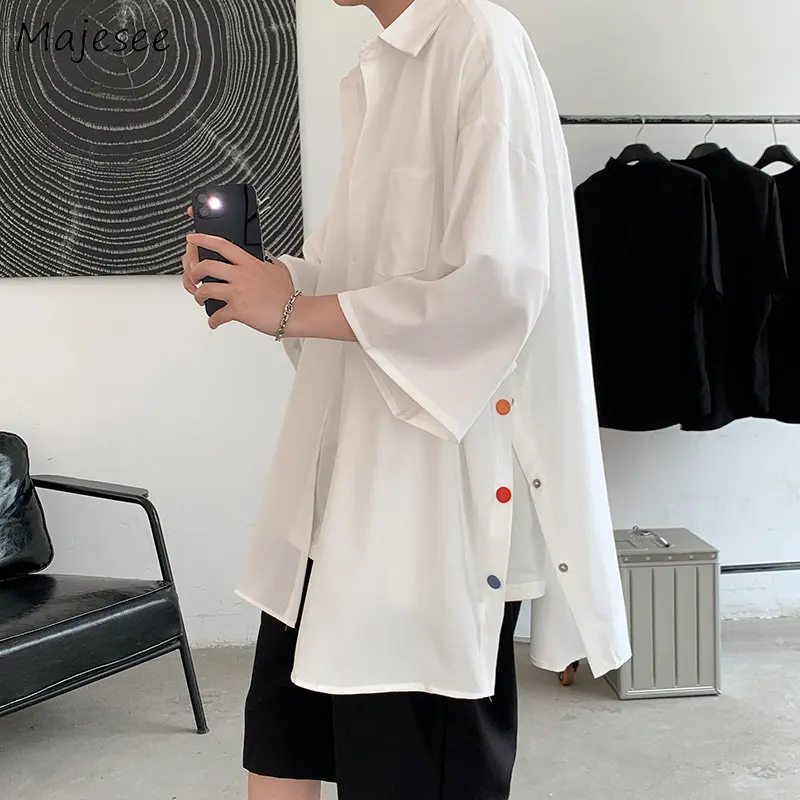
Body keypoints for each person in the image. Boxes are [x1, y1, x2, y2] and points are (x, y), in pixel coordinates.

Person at [181, 0, 631, 798]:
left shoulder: (479, 42)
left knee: (412, 769)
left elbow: (497, 290)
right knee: (280, 754)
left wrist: (293, 307)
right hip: (330, 504)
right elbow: (353, 282)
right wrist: (267, 286)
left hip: (426, 523)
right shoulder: (382, 68)